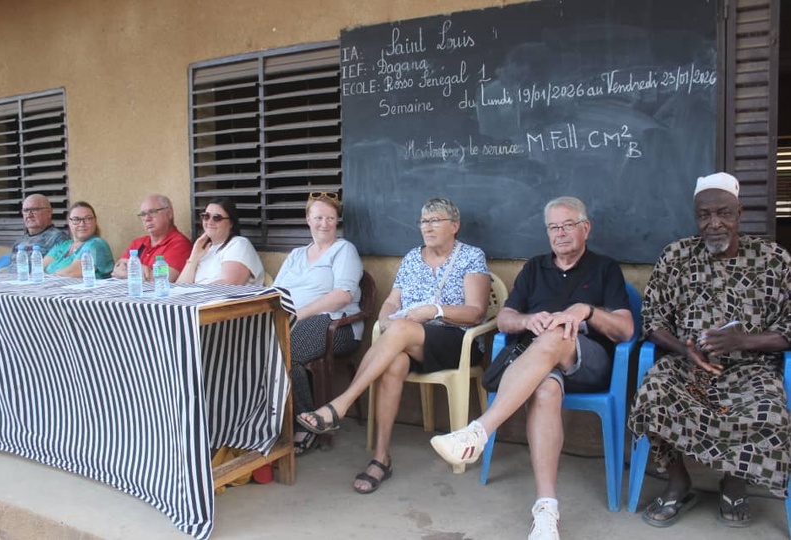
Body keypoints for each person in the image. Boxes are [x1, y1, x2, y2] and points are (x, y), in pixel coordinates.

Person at [430, 196, 634, 540]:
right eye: (553, 227)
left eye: (568, 225)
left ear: (586, 228)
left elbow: (627, 329)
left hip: (589, 362)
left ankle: (480, 430)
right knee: (544, 388)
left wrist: (585, 311)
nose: (560, 233)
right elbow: (506, 318)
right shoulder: (535, 268)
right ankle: (546, 510)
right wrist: (528, 319)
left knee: (557, 336)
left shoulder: (605, 268)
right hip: (538, 365)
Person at [628, 172, 790, 529]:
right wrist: (684, 350)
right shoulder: (676, 257)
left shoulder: (773, 260)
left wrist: (743, 341)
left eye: (723, 213)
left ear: (739, 213)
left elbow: (789, 329)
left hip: (752, 369)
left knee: (770, 409)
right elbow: (652, 320)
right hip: (689, 365)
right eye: (704, 214)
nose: (714, 223)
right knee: (651, 394)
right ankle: (679, 481)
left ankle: (734, 482)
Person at [297, 197, 490, 493]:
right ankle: (380, 457)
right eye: (423, 221)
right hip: (409, 340)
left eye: (435, 220)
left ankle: (341, 404)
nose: (427, 227)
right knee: (394, 362)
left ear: (455, 226)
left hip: (455, 341)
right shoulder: (413, 257)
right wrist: (386, 319)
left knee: (401, 330)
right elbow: (391, 301)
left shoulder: (470, 256)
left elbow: (476, 311)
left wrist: (434, 311)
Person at [273, 192, 363, 455]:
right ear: (308, 220)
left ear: (337, 222)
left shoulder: (344, 250)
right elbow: (275, 291)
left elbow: (342, 296)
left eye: (330, 218)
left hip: (336, 325)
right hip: (294, 321)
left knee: (288, 352)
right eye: (318, 217)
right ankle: (275, 420)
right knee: (256, 348)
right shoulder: (297, 254)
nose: (324, 223)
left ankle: (308, 424)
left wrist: (300, 313)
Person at [176, 196, 264, 286]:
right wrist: (193, 258)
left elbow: (228, 286)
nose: (210, 222)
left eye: (217, 218)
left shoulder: (238, 244)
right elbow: (179, 287)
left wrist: (193, 293)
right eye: (206, 216)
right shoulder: (204, 250)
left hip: (225, 299)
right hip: (200, 298)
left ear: (231, 223)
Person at [111, 194, 192, 282]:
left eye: (152, 212)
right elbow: (117, 269)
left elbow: (162, 279)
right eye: (143, 214)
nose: (147, 218)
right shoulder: (137, 243)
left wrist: (130, 270)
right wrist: (141, 271)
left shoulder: (180, 244)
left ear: (169, 213)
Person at [43, 201, 114, 279]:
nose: (82, 224)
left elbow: (72, 273)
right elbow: (38, 268)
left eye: (88, 219)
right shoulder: (63, 245)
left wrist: (46, 277)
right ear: (69, 222)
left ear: (95, 221)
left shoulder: (97, 244)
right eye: (76, 219)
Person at [6, 194, 68, 273]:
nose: (29, 215)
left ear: (49, 212)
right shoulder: (20, 241)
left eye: (34, 210)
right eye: (25, 210)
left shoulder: (58, 239)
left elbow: (56, 270)